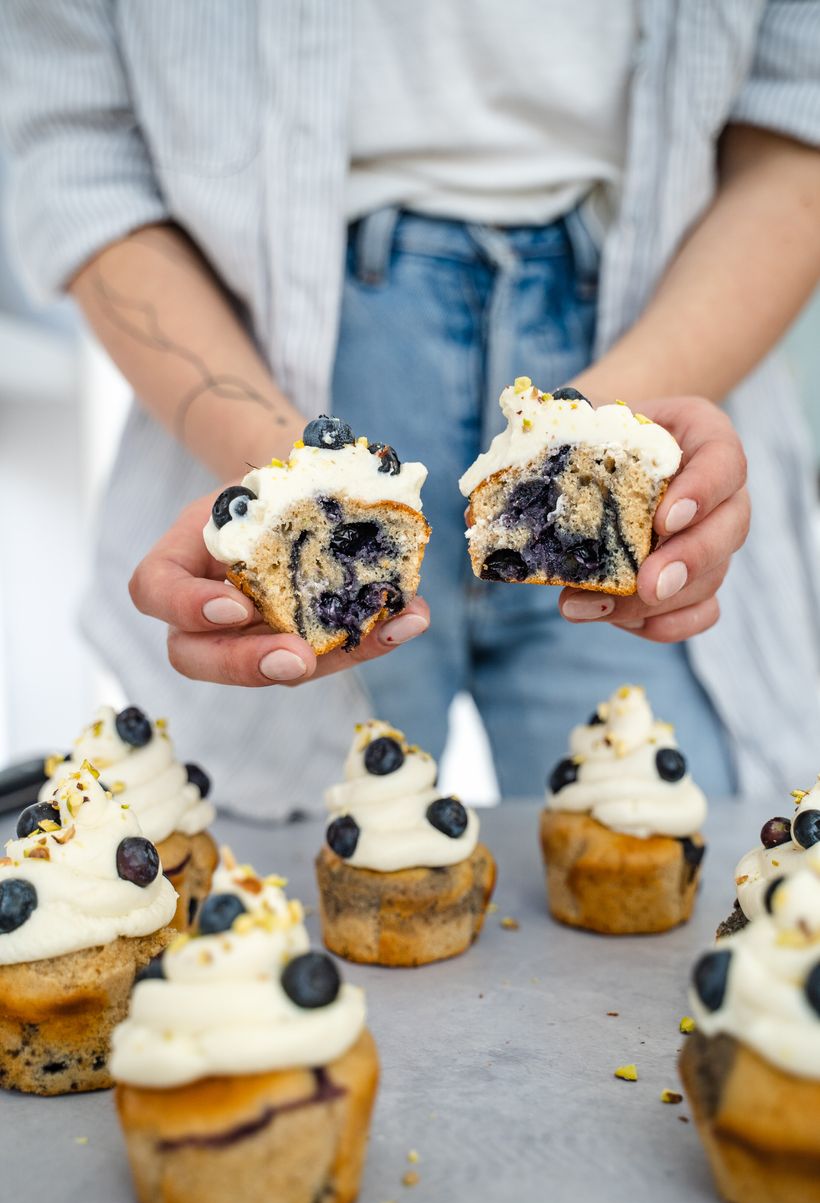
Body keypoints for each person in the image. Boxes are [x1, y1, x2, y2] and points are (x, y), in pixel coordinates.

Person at [2, 2, 819, 818]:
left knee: (671, 833)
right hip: (265, 367)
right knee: (279, 880)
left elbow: (798, 114)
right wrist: (288, 487)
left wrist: (599, 442)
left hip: (661, 326)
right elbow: (73, 151)